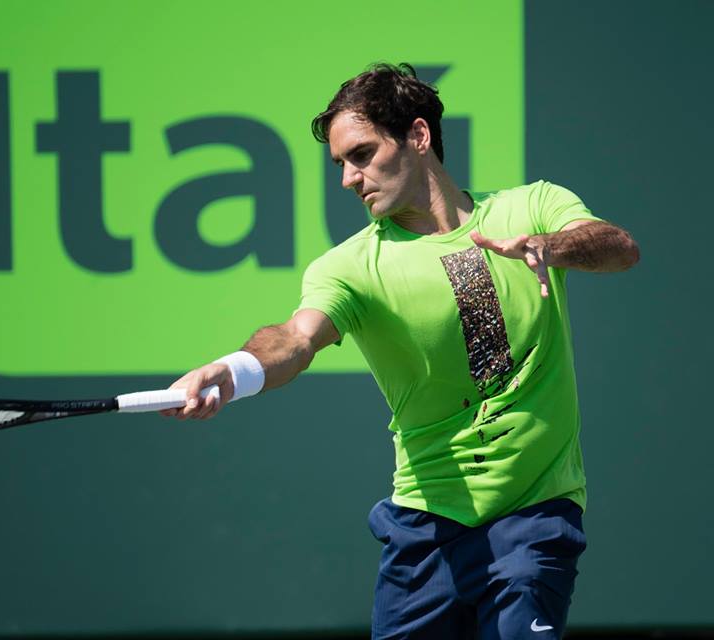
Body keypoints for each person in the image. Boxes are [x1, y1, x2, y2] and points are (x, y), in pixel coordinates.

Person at [160, 63, 639, 639]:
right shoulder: (349, 267)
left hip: (532, 518)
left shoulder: (532, 206)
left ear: (418, 136)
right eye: (340, 164)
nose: (348, 179)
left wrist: (550, 245)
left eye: (360, 154)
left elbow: (619, 247)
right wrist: (234, 371)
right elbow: (295, 338)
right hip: (425, 527)